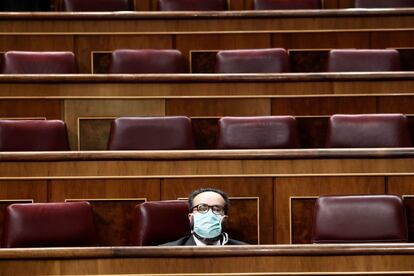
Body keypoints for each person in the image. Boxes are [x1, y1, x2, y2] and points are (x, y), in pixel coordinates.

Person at [162, 187, 247, 246]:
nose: (209, 214)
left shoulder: (246, 253)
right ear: (190, 217)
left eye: (217, 209)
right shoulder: (165, 253)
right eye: (202, 208)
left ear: (225, 218)